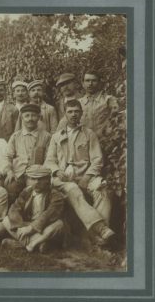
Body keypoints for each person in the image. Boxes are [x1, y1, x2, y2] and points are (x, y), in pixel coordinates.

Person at [44, 99, 115, 247]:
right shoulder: (56, 137)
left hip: (85, 175)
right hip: (63, 179)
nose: (74, 114)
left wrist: (88, 177)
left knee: (102, 189)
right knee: (73, 189)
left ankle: (100, 238)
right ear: (65, 114)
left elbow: (97, 160)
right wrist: (57, 171)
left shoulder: (89, 134)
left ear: (82, 113)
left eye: (77, 111)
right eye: (70, 111)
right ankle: (100, 229)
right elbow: (49, 161)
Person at [2, 166, 65, 252]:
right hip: (28, 224)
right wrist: (19, 226)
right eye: (33, 179)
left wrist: (30, 229)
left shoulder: (55, 195)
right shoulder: (27, 191)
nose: (36, 182)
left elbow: (48, 215)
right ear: (28, 180)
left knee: (59, 224)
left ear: (48, 180)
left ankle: (26, 244)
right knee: (6, 220)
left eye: (40, 179)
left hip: (45, 225)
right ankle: (37, 243)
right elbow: (14, 208)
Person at [4, 104, 52, 203]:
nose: (30, 119)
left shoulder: (46, 136)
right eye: (27, 116)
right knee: (11, 186)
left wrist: (41, 173)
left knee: (41, 190)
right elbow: (7, 156)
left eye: (33, 115)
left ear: (39, 117)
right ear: (22, 118)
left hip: (38, 174)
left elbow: (49, 158)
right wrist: (9, 171)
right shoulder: (15, 136)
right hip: (19, 173)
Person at [78, 70, 118, 137]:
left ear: (99, 83)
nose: (90, 84)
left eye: (94, 81)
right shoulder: (78, 103)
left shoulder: (108, 100)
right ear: (83, 84)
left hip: (104, 142)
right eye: (87, 81)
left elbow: (116, 119)